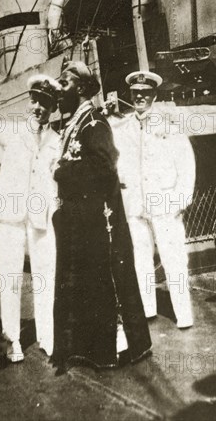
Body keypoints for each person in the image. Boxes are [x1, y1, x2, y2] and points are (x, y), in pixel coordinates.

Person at [52, 60, 151, 374]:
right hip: (83, 221)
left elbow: (104, 165)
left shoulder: (95, 123)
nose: (58, 91)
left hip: (100, 222)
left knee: (105, 282)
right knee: (87, 284)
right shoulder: (75, 124)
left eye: (63, 85)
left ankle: (116, 348)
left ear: (80, 88)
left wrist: (64, 171)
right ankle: (89, 349)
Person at [0, 75, 61, 362]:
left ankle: (46, 335)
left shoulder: (58, 140)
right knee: (10, 278)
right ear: (29, 102)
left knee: (45, 277)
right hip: (11, 216)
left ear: (53, 107)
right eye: (34, 100)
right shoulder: (13, 130)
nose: (37, 107)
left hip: (42, 219)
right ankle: (13, 339)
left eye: (44, 102)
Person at [111, 71, 196, 328]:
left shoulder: (168, 126)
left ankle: (184, 314)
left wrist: (181, 200)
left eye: (145, 93)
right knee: (140, 257)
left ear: (154, 95)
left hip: (165, 202)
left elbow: (186, 163)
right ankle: (147, 309)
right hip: (135, 204)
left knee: (174, 258)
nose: (140, 97)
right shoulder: (122, 128)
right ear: (130, 95)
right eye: (136, 93)